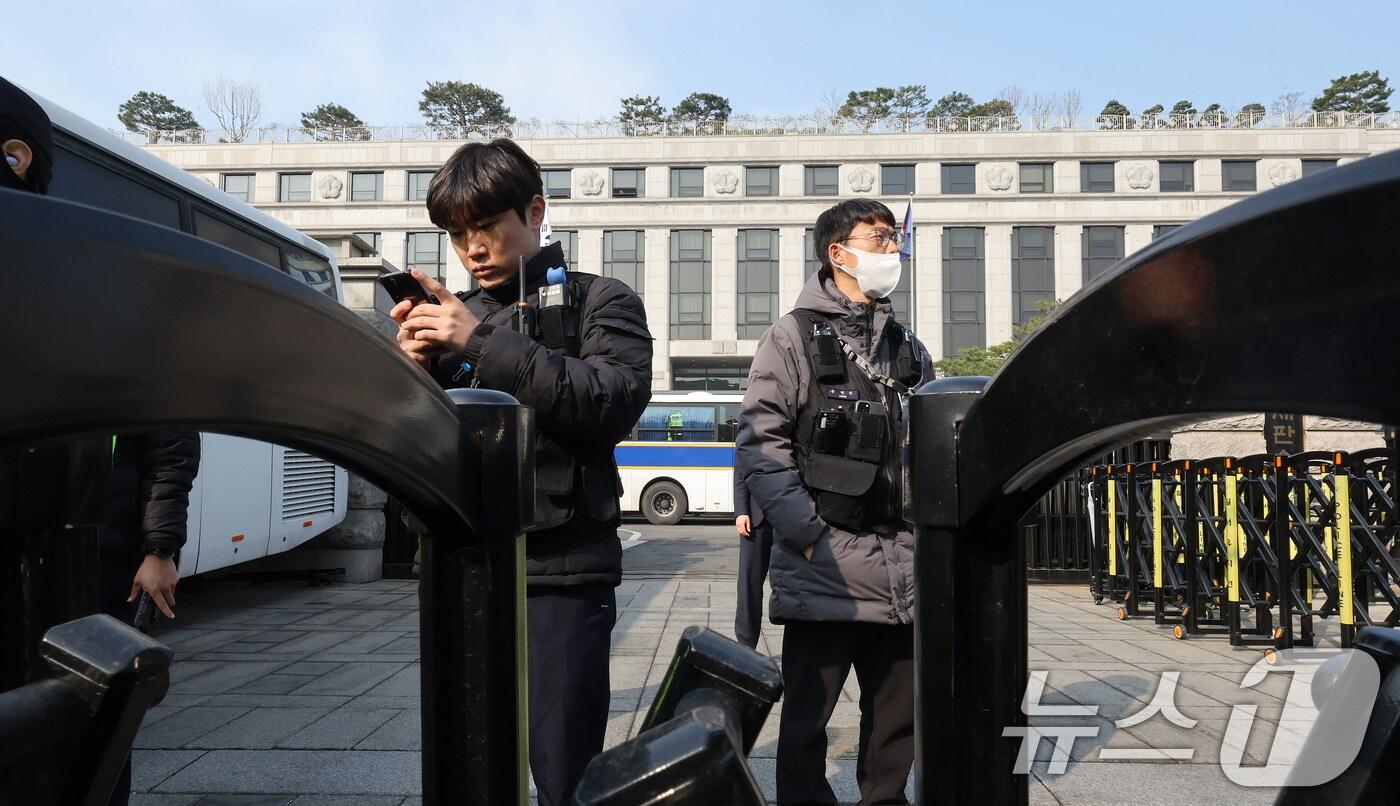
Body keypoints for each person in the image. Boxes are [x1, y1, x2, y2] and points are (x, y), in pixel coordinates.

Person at [391, 138, 652, 805]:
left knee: (563, 770)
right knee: (468, 757)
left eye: (486, 227)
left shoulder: (603, 300)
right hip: (468, 567)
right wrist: (410, 373)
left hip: (565, 570)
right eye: (456, 234)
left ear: (534, 211)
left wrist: (477, 343)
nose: (472, 248)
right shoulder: (455, 320)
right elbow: (415, 445)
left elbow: (610, 402)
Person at [2, 76, 201, 806]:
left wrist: (159, 550)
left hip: (91, 549)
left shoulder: (89, 281)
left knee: (86, 723)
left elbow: (168, 437)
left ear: (15, 156)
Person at [736, 199, 933, 805]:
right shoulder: (791, 336)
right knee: (805, 726)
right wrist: (808, 536)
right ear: (838, 253)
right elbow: (760, 443)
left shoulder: (906, 347)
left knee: (896, 727)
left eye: (894, 240)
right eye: (878, 239)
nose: (891, 251)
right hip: (826, 571)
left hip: (903, 567)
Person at [732, 474, 771, 649]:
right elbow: (741, 471)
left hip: (791, 516)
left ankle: (797, 653)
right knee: (749, 584)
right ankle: (746, 646)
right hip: (756, 518)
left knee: (794, 586)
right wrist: (741, 512)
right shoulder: (749, 444)